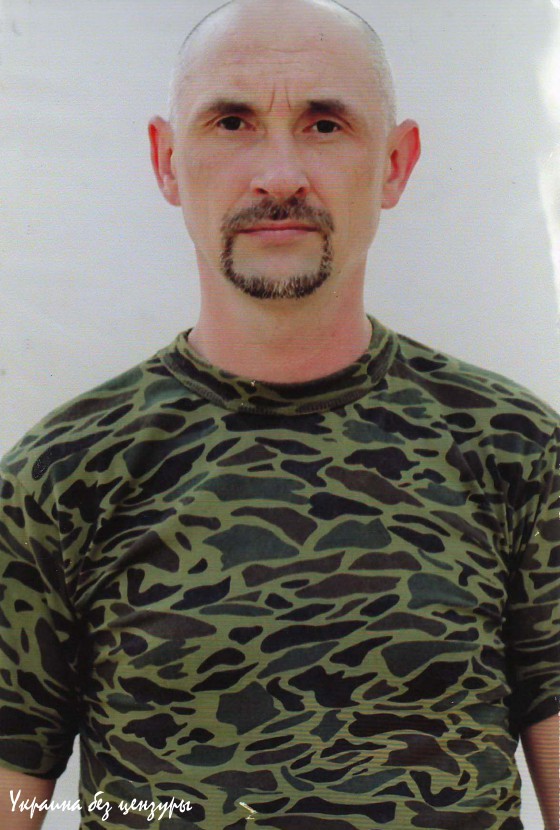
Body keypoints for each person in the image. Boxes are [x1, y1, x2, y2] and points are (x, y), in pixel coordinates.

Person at [0, 0, 558, 828]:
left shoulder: (520, 451)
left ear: (395, 163)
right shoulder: (57, 478)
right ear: (166, 161)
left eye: (325, 124)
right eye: (232, 122)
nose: (280, 175)